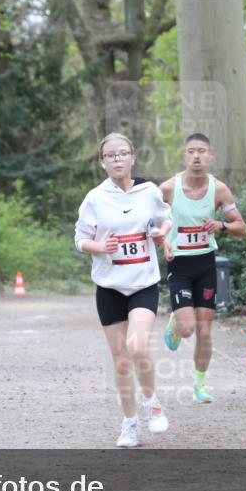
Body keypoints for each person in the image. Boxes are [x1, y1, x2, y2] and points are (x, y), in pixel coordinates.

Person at [75, 133, 173, 447]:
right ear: (102, 162)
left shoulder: (149, 191)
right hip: (109, 287)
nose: (117, 159)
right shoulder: (94, 198)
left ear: (132, 157)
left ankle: (153, 403)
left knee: (139, 346)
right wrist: (100, 246)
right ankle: (130, 423)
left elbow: (165, 218)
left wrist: (161, 233)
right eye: (111, 155)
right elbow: (80, 240)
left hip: (143, 283)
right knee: (120, 360)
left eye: (123, 154)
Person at [159, 133, 246, 403]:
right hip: (180, 265)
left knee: (205, 331)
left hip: (205, 263)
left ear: (210, 156)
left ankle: (199, 385)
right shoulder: (167, 189)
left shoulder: (219, 190)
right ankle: (176, 324)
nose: (196, 156)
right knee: (188, 330)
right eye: (191, 151)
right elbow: (150, 222)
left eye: (202, 151)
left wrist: (220, 225)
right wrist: (163, 242)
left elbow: (241, 227)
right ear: (184, 156)